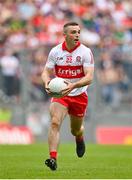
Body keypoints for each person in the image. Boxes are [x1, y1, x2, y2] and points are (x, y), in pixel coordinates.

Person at [41, 22, 94, 171]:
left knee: (75, 130)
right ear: (65, 35)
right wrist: (46, 82)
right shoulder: (55, 52)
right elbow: (45, 72)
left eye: (78, 32)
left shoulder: (85, 52)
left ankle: (79, 137)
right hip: (60, 95)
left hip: (79, 95)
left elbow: (89, 77)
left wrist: (73, 85)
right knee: (55, 122)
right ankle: (52, 158)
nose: (77, 35)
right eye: (73, 32)